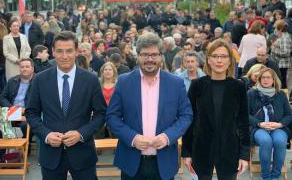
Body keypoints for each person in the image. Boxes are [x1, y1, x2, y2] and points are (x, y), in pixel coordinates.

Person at [106, 32, 192, 180]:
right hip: (131, 162)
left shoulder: (175, 83)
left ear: (161, 56)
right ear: (138, 55)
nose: (150, 59)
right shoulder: (124, 81)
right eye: (145, 55)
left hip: (164, 162)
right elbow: (112, 117)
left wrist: (167, 137)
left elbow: (186, 116)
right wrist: (132, 138)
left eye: (154, 55)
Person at [25, 31, 107, 180]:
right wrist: (46, 134)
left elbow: (101, 114)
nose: (64, 56)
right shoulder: (40, 80)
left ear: (76, 52)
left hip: (83, 153)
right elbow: (31, 113)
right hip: (51, 154)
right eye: (60, 51)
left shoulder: (91, 80)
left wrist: (81, 134)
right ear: (53, 52)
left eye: (69, 51)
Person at [182, 39, 250, 180]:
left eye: (224, 56)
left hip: (230, 148)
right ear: (208, 60)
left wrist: (244, 155)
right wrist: (186, 152)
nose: (219, 60)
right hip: (202, 147)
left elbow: (243, 122)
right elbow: (189, 120)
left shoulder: (238, 87)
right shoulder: (197, 85)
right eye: (215, 56)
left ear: (230, 61)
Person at [248, 68, 292, 180]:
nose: (265, 80)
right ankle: (266, 177)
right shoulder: (251, 93)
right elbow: (245, 114)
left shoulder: (280, 94)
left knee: (280, 140)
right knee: (265, 141)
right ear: (259, 79)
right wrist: (259, 124)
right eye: (263, 77)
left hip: (278, 127)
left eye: (268, 77)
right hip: (258, 127)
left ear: (274, 80)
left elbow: (289, 114)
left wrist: (280, 124)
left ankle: (275, 176)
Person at [0, 58, 35, 159]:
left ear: (32, 68)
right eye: (22, 67)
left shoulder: (38, 82)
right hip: (13, 111)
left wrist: (25, 109)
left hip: (28, 113)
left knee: (25, 125)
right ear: (19, 69)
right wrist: (12, 108)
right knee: (1, 125)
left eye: (27, 67)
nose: (24, 69)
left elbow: (42, 101)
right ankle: (2, 156)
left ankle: (23, 150)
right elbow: (2, 97)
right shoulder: (12, 81)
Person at [271, 19, 292, 89]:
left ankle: (284, 97)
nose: (275, 30)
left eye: (276, 28)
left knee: (282, 84)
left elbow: (286, 53)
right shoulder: (282, 37)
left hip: (282, 65)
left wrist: (274, 49)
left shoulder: (284, 38)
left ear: (280, 29)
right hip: (280, 64)